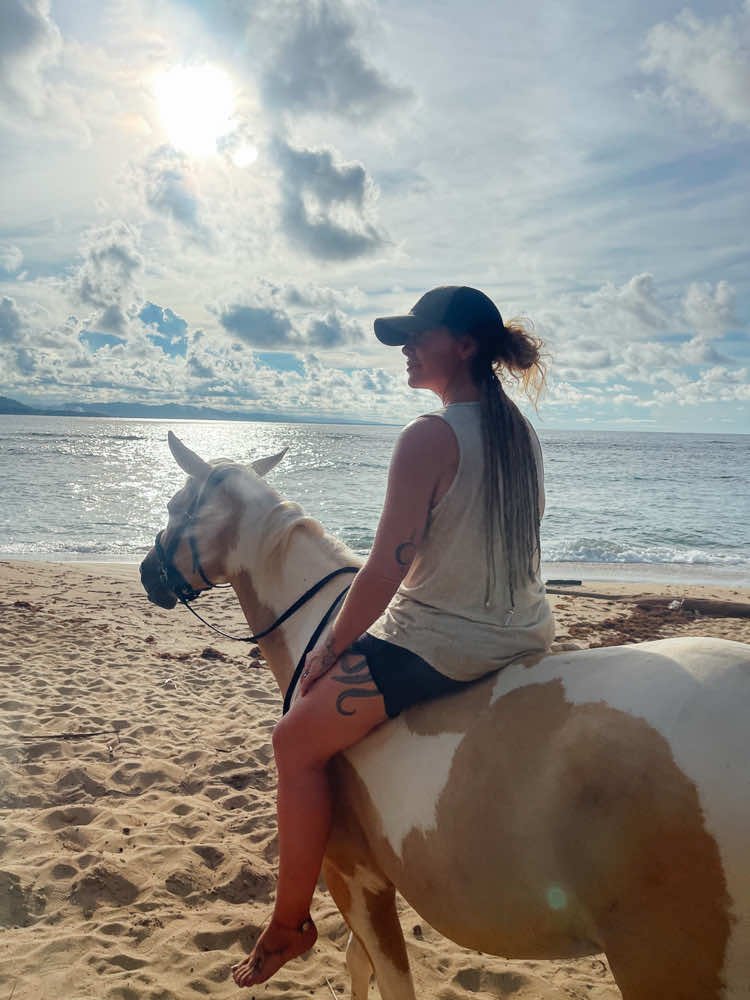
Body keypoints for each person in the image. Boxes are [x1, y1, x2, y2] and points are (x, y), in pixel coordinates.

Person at [231, 285, 555, 988]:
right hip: (523, 629)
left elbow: (387, 567)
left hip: (443, 643)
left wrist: (327, 650)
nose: (406, 350)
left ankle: (290, 924)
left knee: (293, 740)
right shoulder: (515, 432)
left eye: (418, 336)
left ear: (463, 347)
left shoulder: (429, 436)